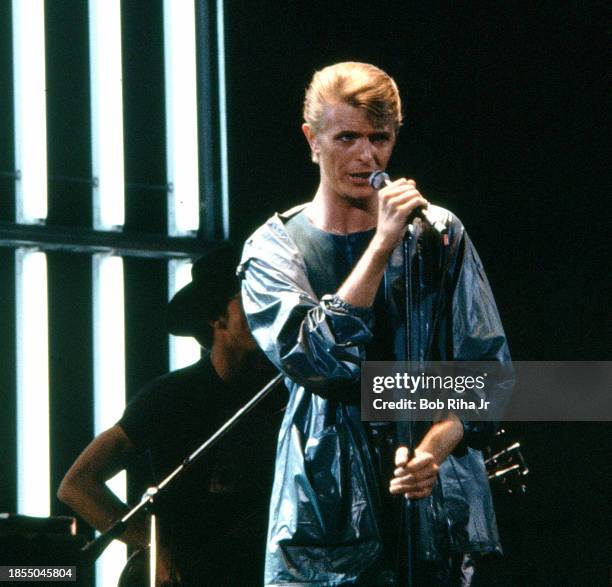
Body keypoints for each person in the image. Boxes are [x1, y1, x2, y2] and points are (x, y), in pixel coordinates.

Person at [240, 62, 511, 586]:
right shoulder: (274, 248)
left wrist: (431, 453)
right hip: (325, 513)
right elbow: (316, 360)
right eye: (347, 137)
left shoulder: (438, 233)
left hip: (435, 515)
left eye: (379, 138)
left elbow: (490, 376)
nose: (367, 156)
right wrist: (382, 244)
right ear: (312, 140)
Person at [58, 244, 281, 585]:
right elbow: (76, 484)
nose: (268, 309)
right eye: (251, 298)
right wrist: (152, 546)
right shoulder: (170, 396)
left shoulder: (287, 392)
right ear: (216, 316)